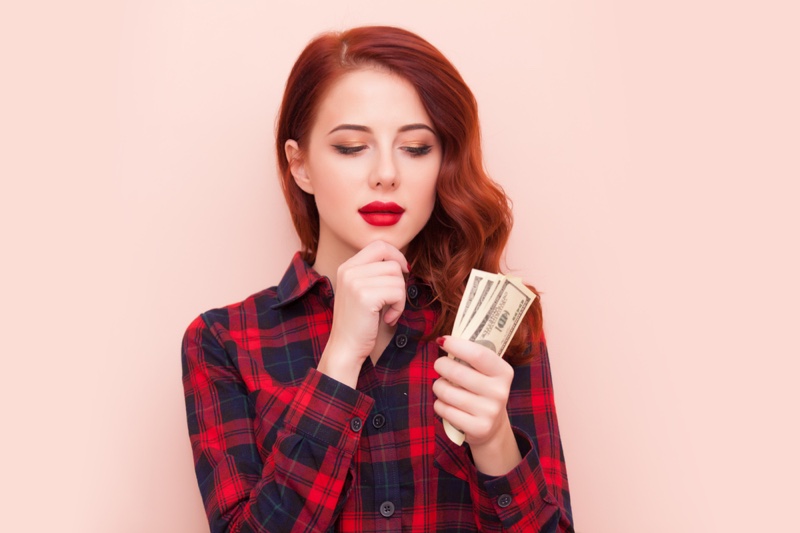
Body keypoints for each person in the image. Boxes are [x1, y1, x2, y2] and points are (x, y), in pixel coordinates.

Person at [182, 25, 574, 532]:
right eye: (351, 148)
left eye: (416, 148)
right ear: (300, 165)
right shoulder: (223, 343)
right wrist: (339, 359)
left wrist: (494, 440)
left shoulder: (496, 333)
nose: (387, 173)